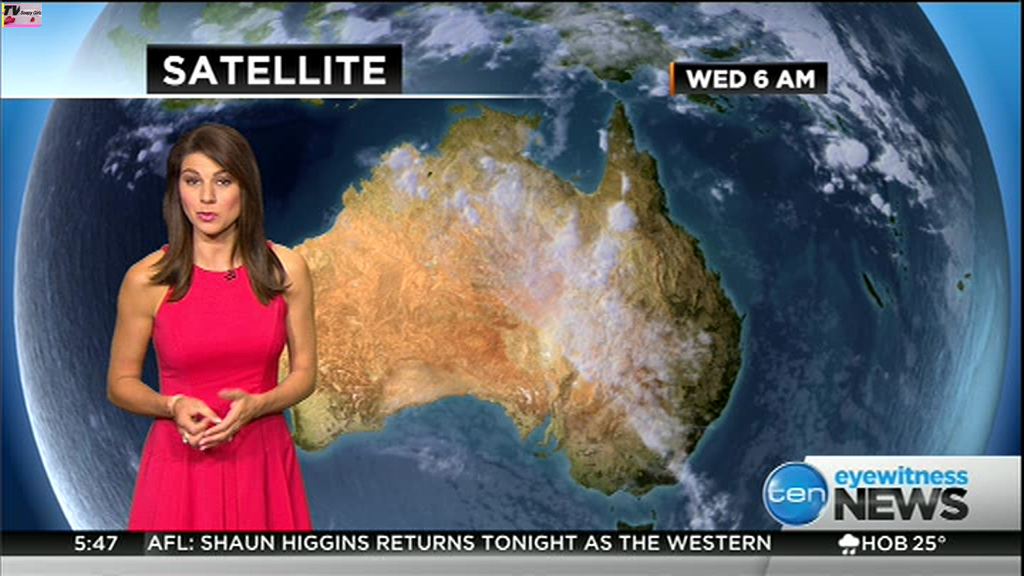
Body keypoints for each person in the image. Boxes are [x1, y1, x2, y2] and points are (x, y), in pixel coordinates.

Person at [107, 123, 316, 531]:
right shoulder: (146, 279)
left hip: (263, 465)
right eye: (193, 181)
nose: (206, 197)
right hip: (180, 467)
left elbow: (305, 373)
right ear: (177, 190)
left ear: (245, 188)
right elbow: (120, 383)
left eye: (222, 181)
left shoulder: (286, 270)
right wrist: (172, 406)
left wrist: (259, 405)